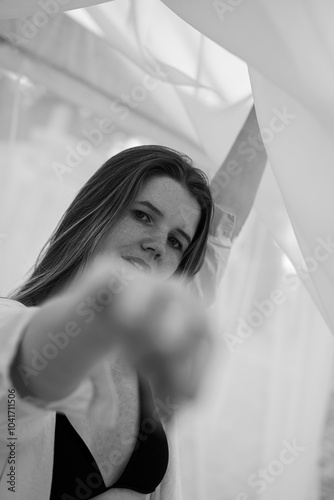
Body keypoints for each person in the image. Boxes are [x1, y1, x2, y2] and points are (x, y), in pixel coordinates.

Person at [0, 106, 267, 500]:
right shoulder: (12, 326)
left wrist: (272, 104)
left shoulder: (149, 344)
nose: (158, 245)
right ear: (95, 214)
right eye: (143, 216)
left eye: (176, 241)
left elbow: (222, 229)